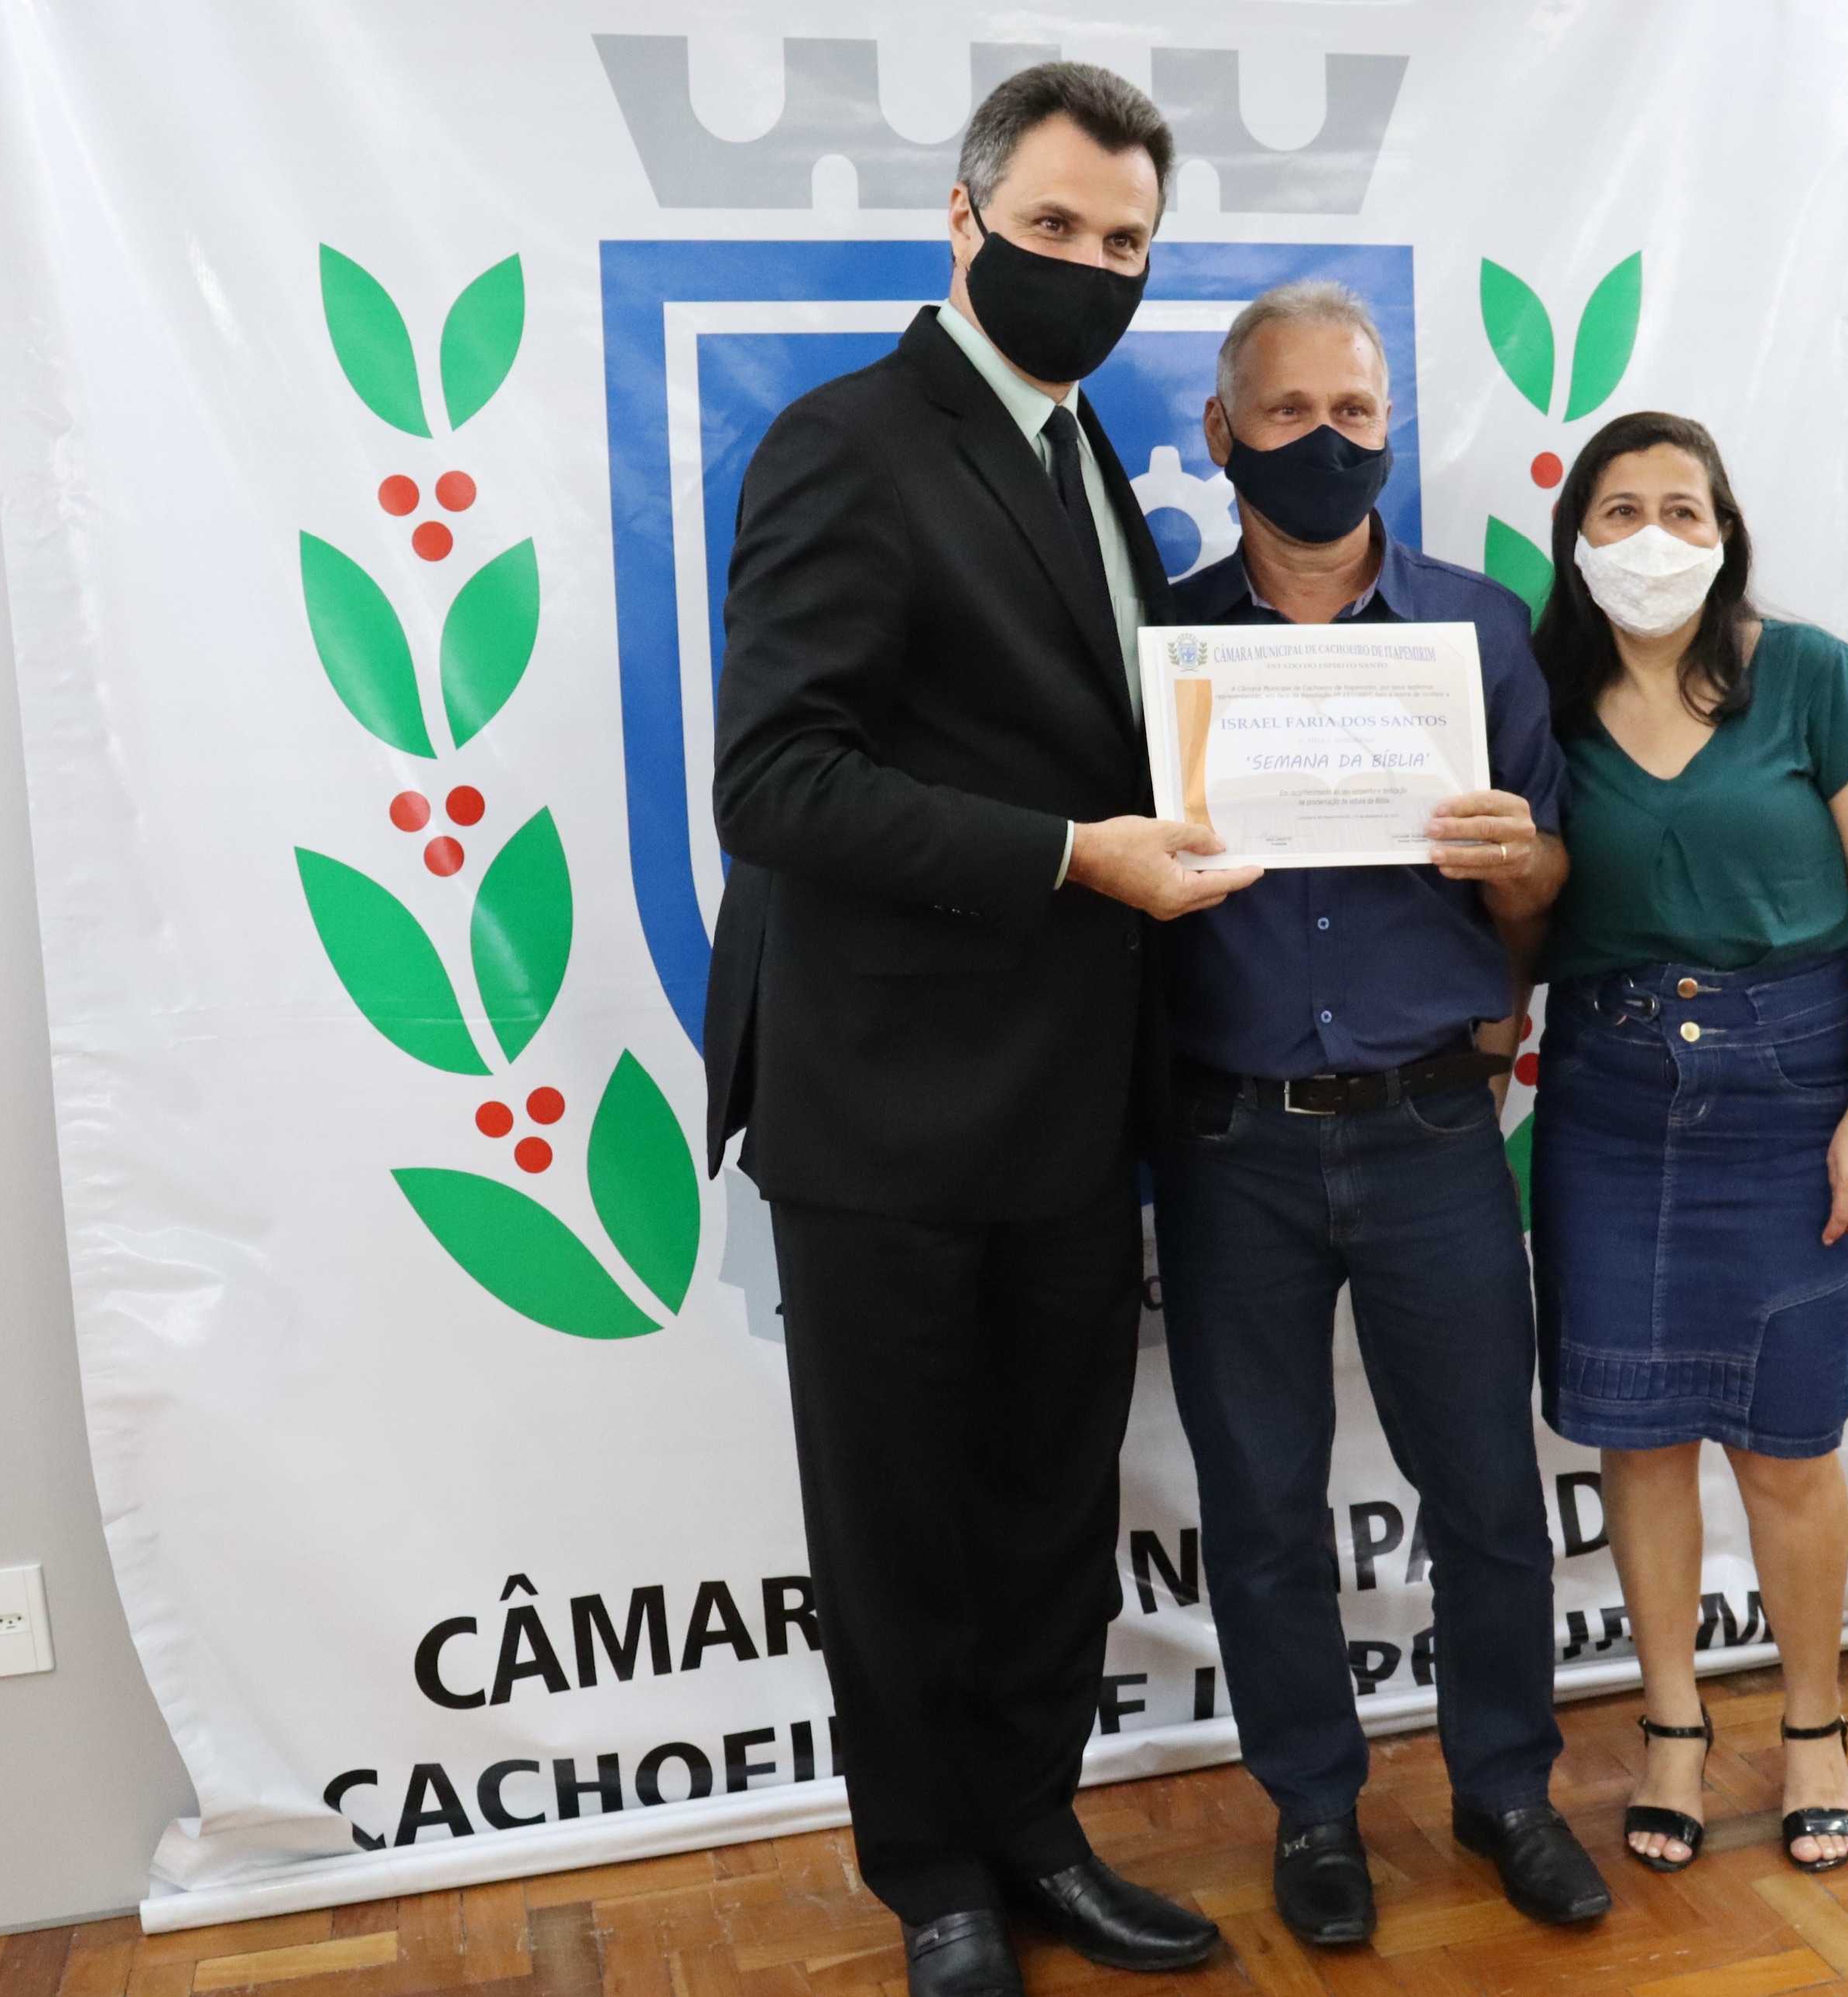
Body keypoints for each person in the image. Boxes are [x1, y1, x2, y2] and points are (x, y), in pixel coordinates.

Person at [703, 63, 1261, 1997]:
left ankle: (1037, 1829)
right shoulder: (847, 444)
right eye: (1052, 227)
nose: (1089, 267)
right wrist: (1075, 856)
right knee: (898, 1520)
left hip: (1068, 1096)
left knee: (1044, 1506)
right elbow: (774, 781)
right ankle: (931, 1872)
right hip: (881, 1103)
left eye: (1125, 242)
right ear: (961, 221)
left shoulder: (1086, 459)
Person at [1152, 281, 1614, 1945]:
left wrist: (1521, 862)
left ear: (1391, 428)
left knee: (1487, 1490)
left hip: (1431, 1128)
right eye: (1289, 413)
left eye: (1355, 413)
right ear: (1223, 434)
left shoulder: (1478, 634)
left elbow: (1545, 888)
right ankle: (1314, 1811)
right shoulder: (1164, 646)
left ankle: (1506, 1790)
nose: (1327, 442)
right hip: (1229, 1139)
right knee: (1262, 1504)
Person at [1524, 413, 1848, 1879]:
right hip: (1609, 1097)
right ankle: (1674, 1730)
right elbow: (1517, 907)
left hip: (1791, 1087)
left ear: (1726, 531)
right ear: (1578, 540)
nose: (1653, 537)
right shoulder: (1541, 698)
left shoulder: (1808, 674)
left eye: (1682, 509)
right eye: (1619, 509)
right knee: (1639, 1438)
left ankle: (1815, 1725)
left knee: (1786, 1441)